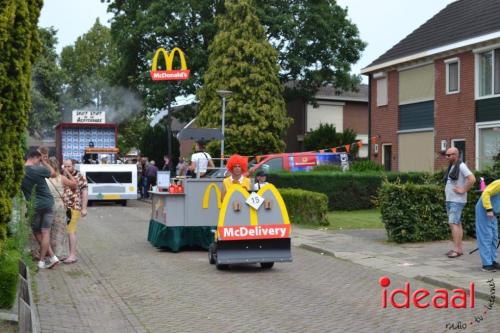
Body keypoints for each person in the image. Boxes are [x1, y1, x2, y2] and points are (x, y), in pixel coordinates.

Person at [21, 150, 60, 269]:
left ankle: (49, 258)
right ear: (35, 158)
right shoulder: (38, 169)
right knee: (45, 232)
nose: (40, 162)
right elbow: (54, 173)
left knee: (37, 232)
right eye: (39, 160)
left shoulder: (20, 172)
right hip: (47, 203)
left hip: (33, 206)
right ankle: (45, 260)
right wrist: (45, 162)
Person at [443, 147, 475, 258]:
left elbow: (472, 179)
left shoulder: (461, 166)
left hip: (456, 201)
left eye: (449, 155)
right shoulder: (452, 166)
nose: (447, 157)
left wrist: (463, 189)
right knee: (457, 223)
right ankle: (459, 249)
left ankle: (456, 250)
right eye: (446, 155)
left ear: (455, 155)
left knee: (453, 223)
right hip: (450, 200)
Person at [46, 157, 77, 257]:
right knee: (59, 230)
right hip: (59, 205)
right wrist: (67, 172)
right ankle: (57, 254)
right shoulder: (61, 178)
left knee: (47, 230)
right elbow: (74, 184)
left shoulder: (44, 178)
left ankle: (48, 253)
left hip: (48, 204)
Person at [62, 159, 88, 264]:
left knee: (71, 230)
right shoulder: (63, 176)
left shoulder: (80, 176)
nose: (66, 168)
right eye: (65, 166)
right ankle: (68, 253)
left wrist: (84, 208)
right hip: (64, 207)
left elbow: (85, 192)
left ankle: (73, 255)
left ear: (73, 166)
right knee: (68, 230)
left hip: (74, 207)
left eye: (68, 166)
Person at [475, 179, 500, 272]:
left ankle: (492, 261)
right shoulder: (499, 184)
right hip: (484, 210)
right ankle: (486, 264)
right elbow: (485, 193)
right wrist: (489, 209)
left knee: (494, 237)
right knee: (486, 236)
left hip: (493, 213)